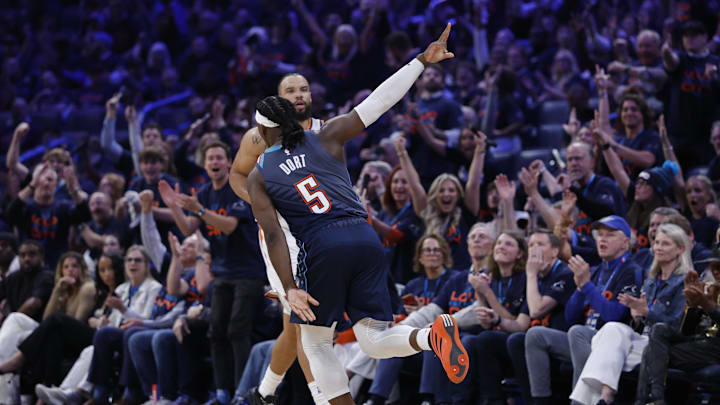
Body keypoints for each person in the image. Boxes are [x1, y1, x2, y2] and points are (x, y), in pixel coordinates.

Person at [248, 24, 469, 405]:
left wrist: (289, 287)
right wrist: (420, 61)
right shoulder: (328, 134)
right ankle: (428, 336)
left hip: (321, 246)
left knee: (316, 343)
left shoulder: (258, 174)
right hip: (365, 236)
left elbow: (274, 235)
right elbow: (380, 101)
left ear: (262, 132)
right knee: (375, 339)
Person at [228, 72, 327, 405]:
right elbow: (237, 174)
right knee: (305, 322)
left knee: (293, 325)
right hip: (281, 238)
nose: (298, 95)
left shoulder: (324, 132)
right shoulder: (258, 138)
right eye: (290, 90)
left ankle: (264, 394)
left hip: (319, 233)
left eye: (303, 89)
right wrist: (258, 202)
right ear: (278, 98)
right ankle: (321, 397)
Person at [524, 215, 641, 405]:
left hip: (611, 348)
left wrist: (586, 285)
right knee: (535, 335)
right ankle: (540, 401)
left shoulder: (631, 270)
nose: (602, 239)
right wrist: (580, 288)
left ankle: (580, 402)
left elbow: (615, 316)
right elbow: (571, 317)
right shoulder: (594, 270)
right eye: (600, 235)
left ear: (625, 242)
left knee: (578, 332)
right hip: (583, 342)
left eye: (610, 235)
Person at [570, 223, 689, 405]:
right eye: (656, 242)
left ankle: (598, 398)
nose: (658, 247)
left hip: (663, 349)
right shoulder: (650, 282)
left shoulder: (685, 283)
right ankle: (604, 397)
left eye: (665, 244)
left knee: (606, 342)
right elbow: (640, 327)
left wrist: (647, 312)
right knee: (611, 332)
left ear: (680, 249)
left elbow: (678, 326)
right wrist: (637, 318)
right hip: (641, 345)